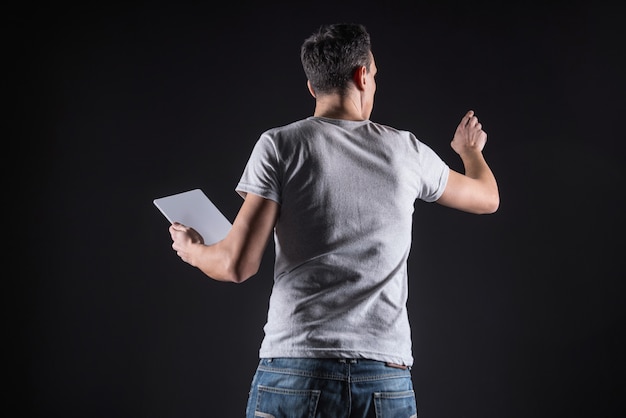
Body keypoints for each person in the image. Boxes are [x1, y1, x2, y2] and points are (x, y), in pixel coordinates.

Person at [169, 22, 499, 417]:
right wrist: (469, 151)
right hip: (385, 376)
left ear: (312, 87)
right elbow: (487, 198)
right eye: (374, 74)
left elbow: (236, 264)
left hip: (295, 371)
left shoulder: (280, 145)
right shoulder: (406, 151)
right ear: (363, 75)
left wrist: (193, 250)